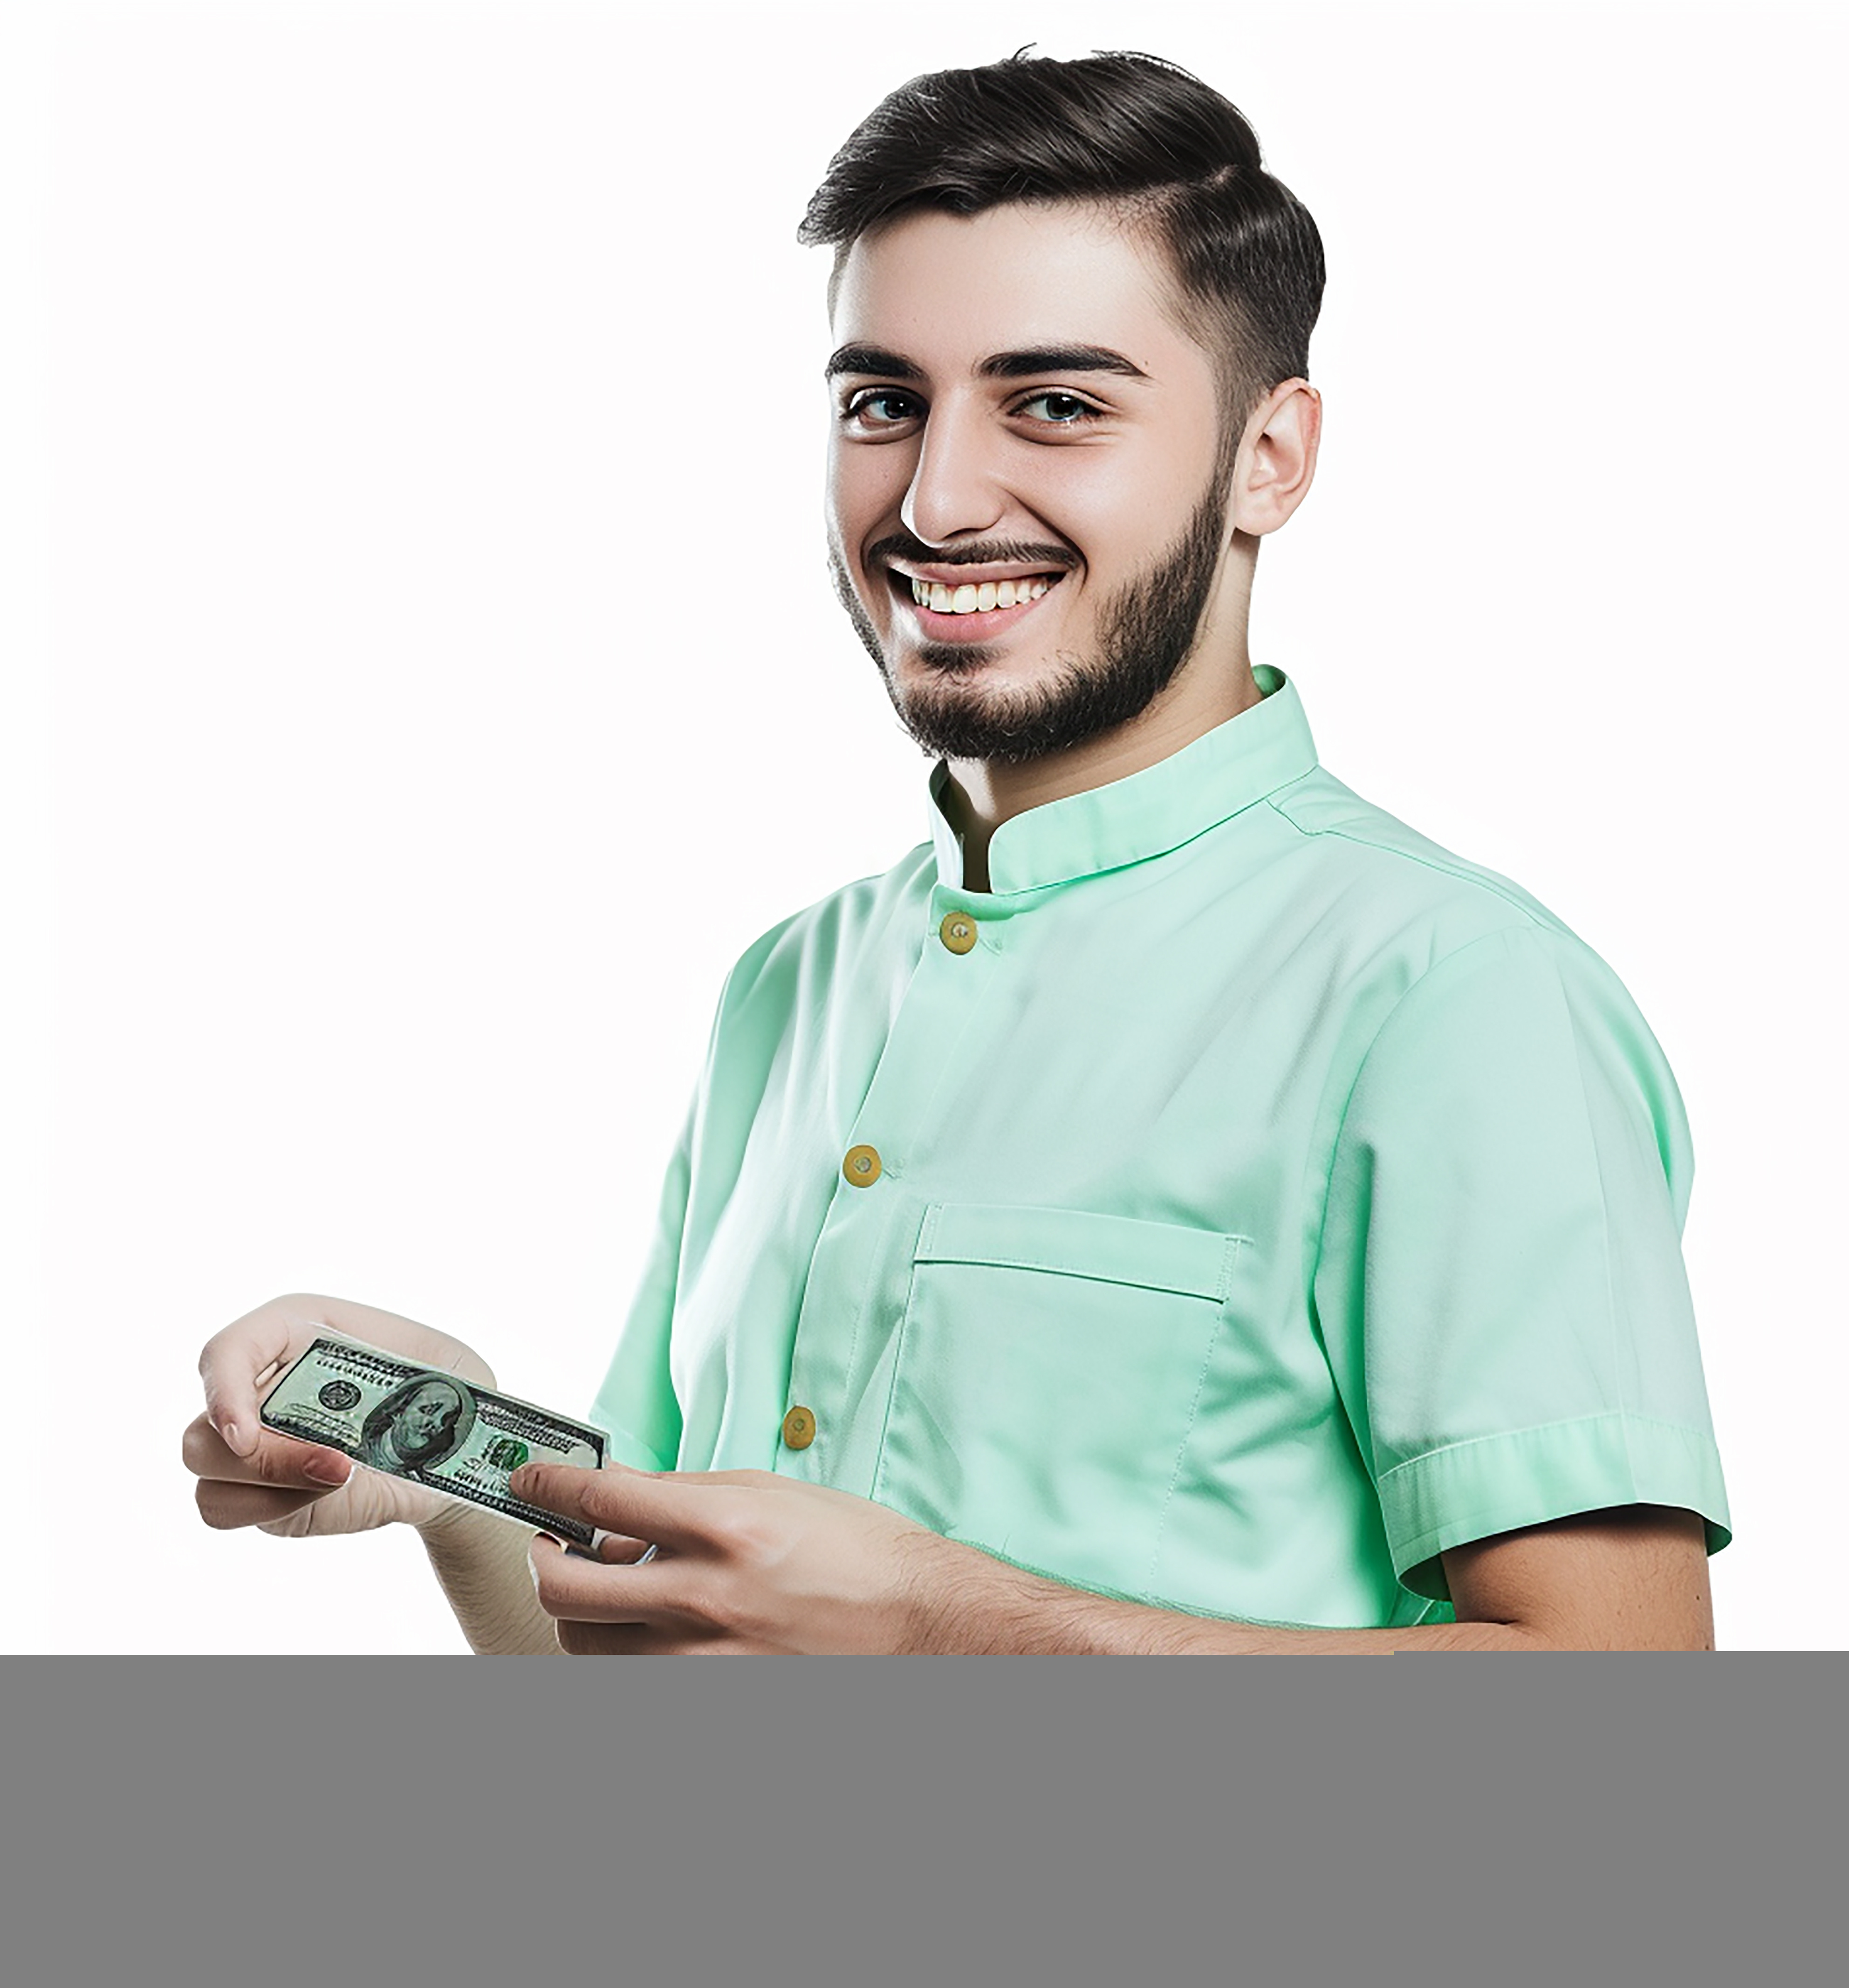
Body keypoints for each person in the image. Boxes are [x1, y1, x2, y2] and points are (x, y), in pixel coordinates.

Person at [184, 50, 1731, 1653]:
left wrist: (935, 1622)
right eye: (883, 404)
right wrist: (456, 1470)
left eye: (1054, 404)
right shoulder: (790, 987)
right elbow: (654, 1655)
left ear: (1270, 456)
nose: (935, 497)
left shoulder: (1458, 999)